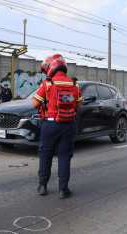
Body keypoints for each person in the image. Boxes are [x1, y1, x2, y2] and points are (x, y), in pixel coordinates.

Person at [32, 54, 82, 199]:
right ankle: (63, 189)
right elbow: (79, 107)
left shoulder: (48, 84)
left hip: (50, 124)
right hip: (68, 125)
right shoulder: (74, 84)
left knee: (45, 155)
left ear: (51, 68)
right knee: (64, 157)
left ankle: (42, 186)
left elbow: (35, 104)